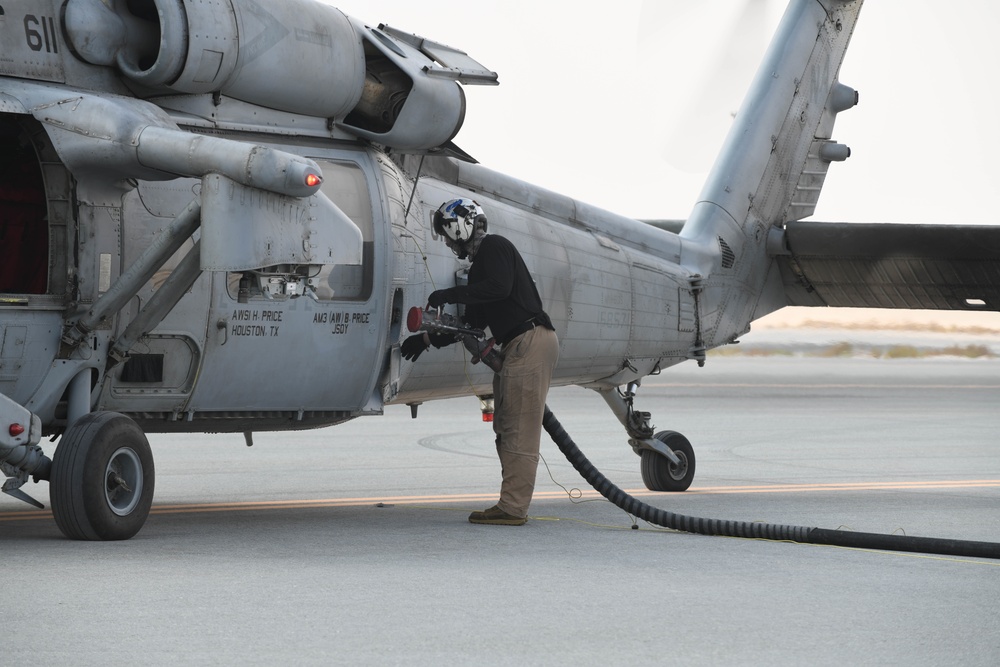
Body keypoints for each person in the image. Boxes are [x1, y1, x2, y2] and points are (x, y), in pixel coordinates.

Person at [401, 198, 559, 526]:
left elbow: (499, 289)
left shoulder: (495, 248)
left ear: (460, 228)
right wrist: (428, 337)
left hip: (529, 341)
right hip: (519, 345)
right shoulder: (478, 274)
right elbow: (470, 326)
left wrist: (448, 294)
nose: (447, 243)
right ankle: (510, 503)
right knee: (505, 426)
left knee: (518, 430)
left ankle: (513, 509)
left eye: (447, 235)